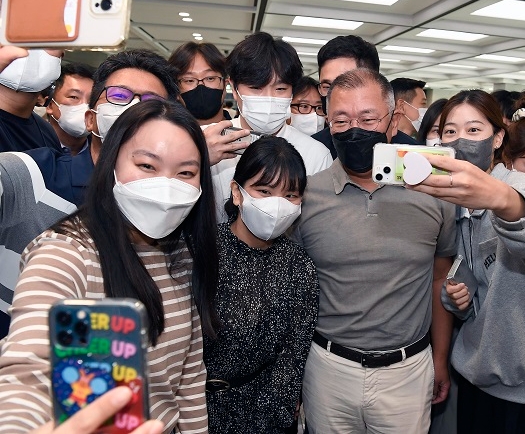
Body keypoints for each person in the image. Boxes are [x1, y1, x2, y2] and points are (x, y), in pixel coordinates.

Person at [0, 99, 219, 434]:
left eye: (186, 173)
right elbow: (28, 371)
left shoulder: (182, 253)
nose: (166, 185)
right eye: (147, 166)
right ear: (111, 163)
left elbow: (188, 378)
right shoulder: (67, 253)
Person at [291, 68, 456, 433]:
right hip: (327, 368)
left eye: (367, 118)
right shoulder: (305, 196)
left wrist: (440, 358)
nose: (354, 129)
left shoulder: (432, 190)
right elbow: (294, 290)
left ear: (393, 118)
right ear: (328, 122)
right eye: (341, 119)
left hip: (408, 370)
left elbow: (439, 278)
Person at [408, 89, 525, 434]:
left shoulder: (517, 187)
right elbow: (477, 295)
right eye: (450, 131)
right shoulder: (454, 205)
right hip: (477, 375)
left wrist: (504, 201)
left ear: (498, 138)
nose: (460, 139)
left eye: (474, 130)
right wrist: (457, 300)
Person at [0, 49, 180, 338]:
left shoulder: (170, 205)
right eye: (119, 96)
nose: (133, 109)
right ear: (90, 119)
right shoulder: (31, 175)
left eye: (150, 103)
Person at [205, 136, 318, 434]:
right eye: (264, 191)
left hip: (267, 414)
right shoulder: (204, 252)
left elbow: (295, 349)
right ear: (237, 192)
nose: (277, 204)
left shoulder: (299, 263)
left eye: (290, 195)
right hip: (197, 410)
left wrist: (276, 411)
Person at [212, 32, 332, 222]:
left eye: (280, 89)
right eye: (256, 88)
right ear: (234, 88)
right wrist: (199, 158)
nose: (269, 97)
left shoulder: (316, 155)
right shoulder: (210, 140)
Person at [311, 35, 419, 157]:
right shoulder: (311, 151)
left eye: (345, 84)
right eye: (326, 86)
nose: (334, 95)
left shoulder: (412, 155)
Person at [0, 48, 63, 153]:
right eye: (17, 38)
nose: (30, 50)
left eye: (46, 41)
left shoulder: (47, 132)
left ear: (61, 54)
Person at [168, 41, 229, 126]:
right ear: (176, 90)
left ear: (225, 84)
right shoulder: (165, 136)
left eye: (210, 78)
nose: (201, 86)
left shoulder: (245, 135)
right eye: (189, 80)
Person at [44, 62, 95, 155]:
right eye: (74, 97)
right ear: (50, 105)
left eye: (91, 100)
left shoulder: (103, 155)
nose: (85, 106)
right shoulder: (31, 145)